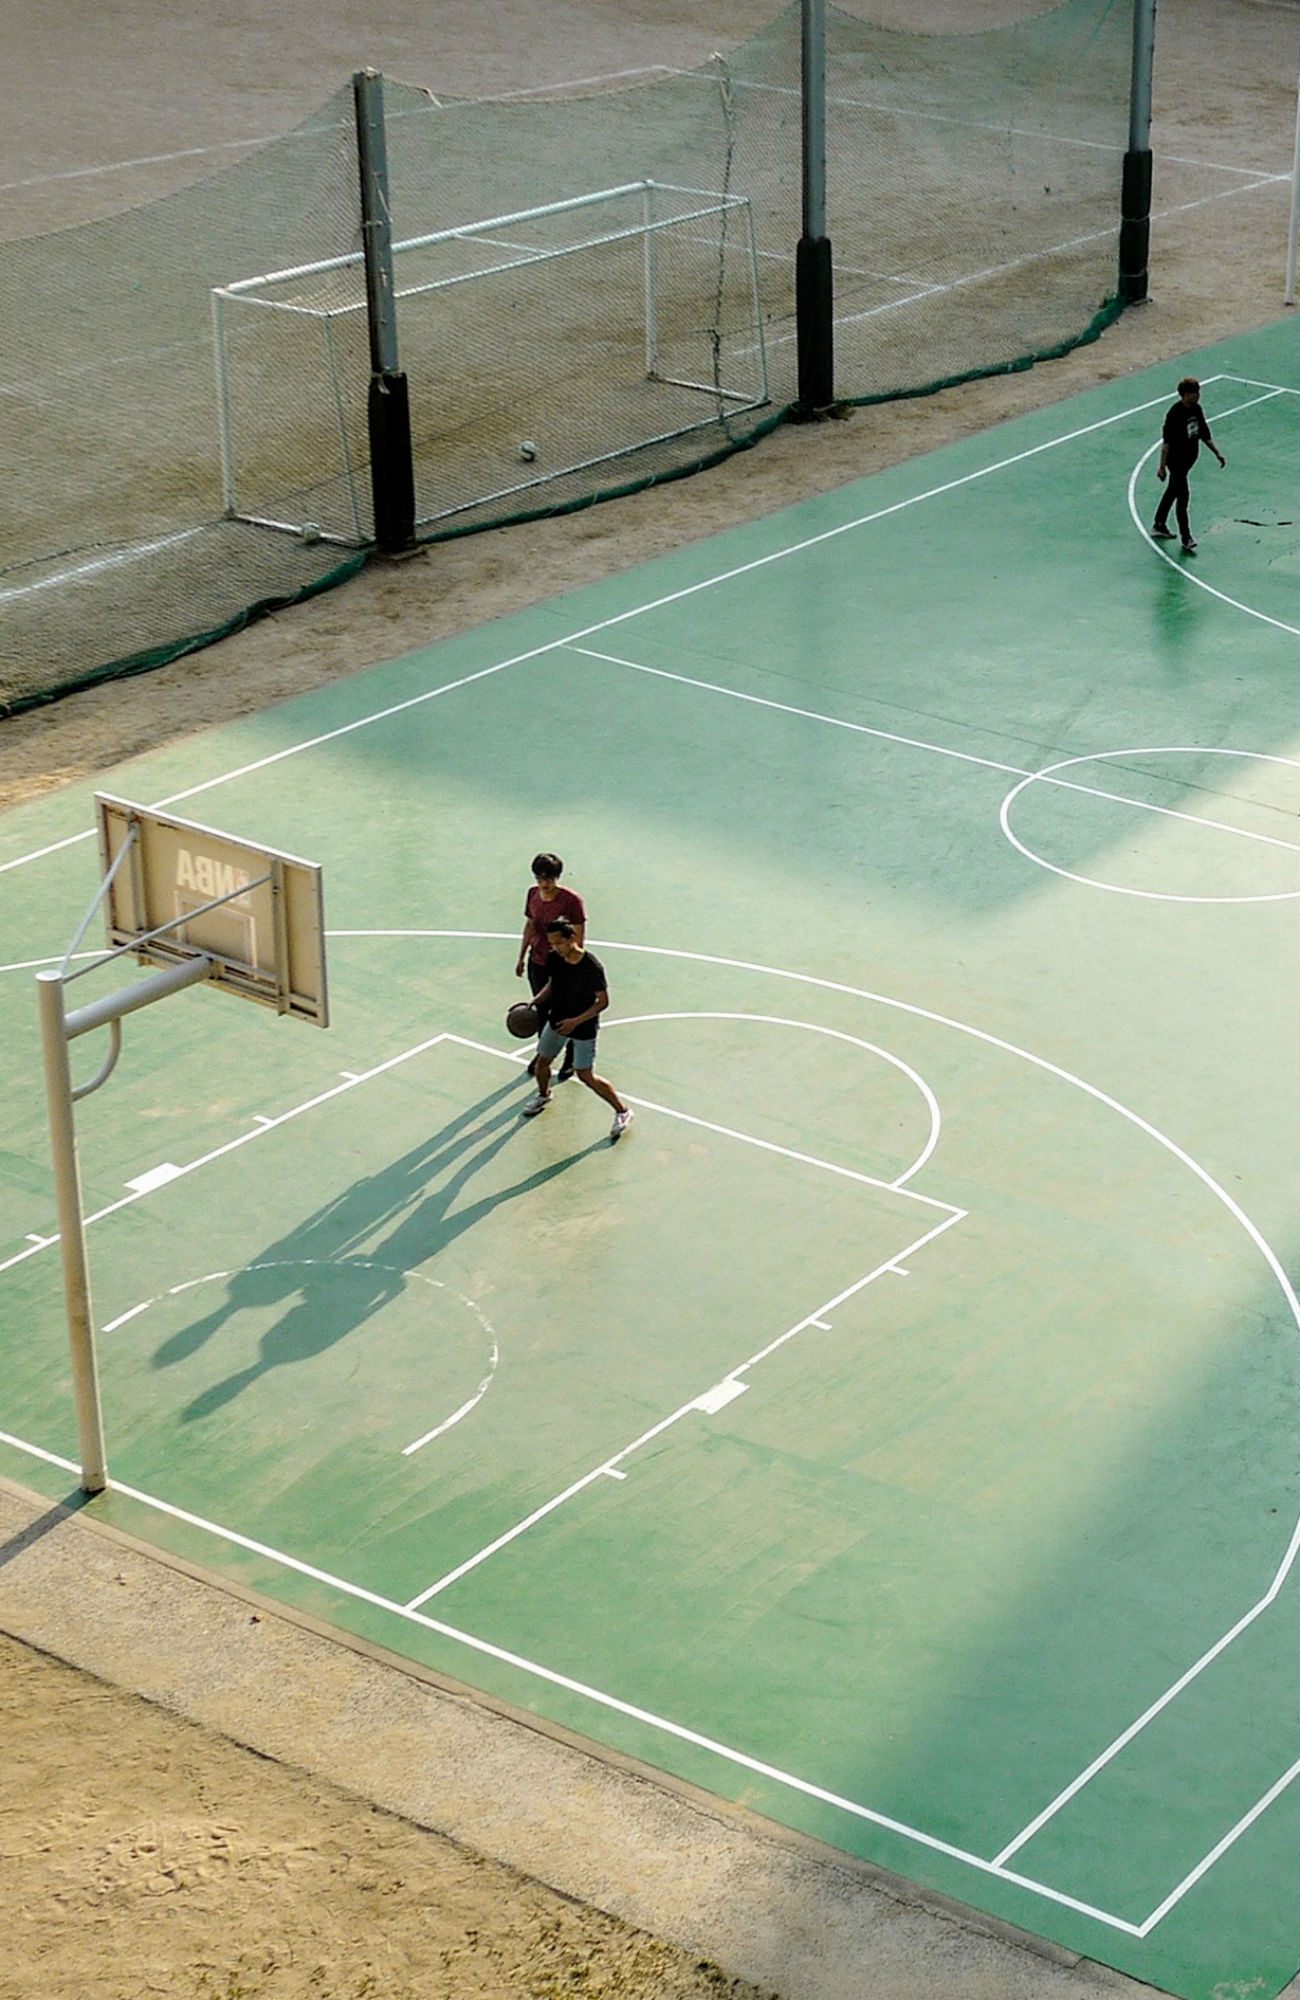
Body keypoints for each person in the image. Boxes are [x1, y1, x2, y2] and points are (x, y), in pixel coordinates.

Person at [521, 917, 633, 1141]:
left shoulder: (591, 966)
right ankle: (544, 1095)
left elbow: (602, 1002)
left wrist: (576, 1021)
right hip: (557, 1020)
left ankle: (622, 1111)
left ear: (572, 938)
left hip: (583, 1027)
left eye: (559, 943)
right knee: (542, 1062)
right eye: (552, 943)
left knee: (585, 1075)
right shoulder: (555, 958)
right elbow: (553, 984)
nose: (555, 947)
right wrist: (536, 1000)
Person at [514, 852, 585, 1082]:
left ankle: (571, 1057)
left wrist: (572, 965)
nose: (544, 883)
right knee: (542, 1011)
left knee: (565, 1010)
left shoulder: (571, 901)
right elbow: (531, 925)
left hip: (562, 964)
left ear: (557, 877)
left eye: (549, 878)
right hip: (538, 961)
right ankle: (543, 1053)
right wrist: (522, 955)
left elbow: (578, 936)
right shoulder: (533, 895)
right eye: (540, 878)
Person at [1152, 376, 1226, 554]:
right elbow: (1167, 443)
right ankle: (1186, 538)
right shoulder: (1174, 414)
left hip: (1188, 461)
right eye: (1194, 393)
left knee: (1172, 491)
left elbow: (1204, 433)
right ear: (1184, 395)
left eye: (1198, 393)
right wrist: (1162, 466)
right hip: (1176, 462)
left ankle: (1159, 523)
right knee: (1183, 497)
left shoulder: (1196, 409)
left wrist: (1217, 452)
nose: (1198, 396)